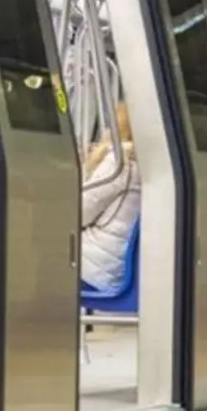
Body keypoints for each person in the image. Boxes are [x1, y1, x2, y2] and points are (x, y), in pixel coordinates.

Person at [80, 102, 141, 291]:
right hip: (115, 266)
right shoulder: (142, 165)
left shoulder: (119, 163)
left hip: (93, 267)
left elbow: (78, 213)